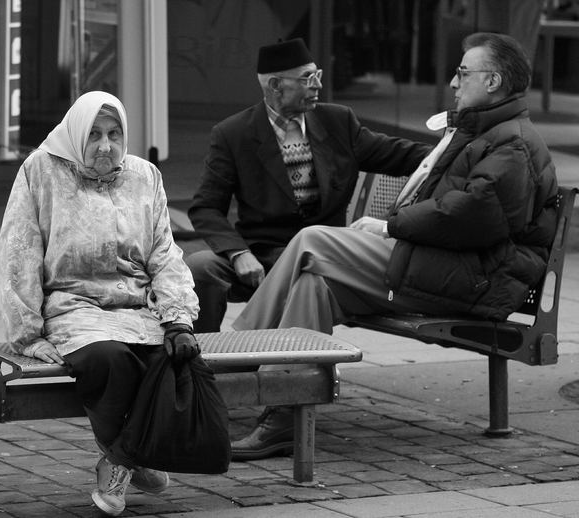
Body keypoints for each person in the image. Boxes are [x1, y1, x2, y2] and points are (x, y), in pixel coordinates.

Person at [231, 32, 559, 460]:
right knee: (315, 287)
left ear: (493, 81)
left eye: (463, 72)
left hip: (472, 279)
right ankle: (285, 415)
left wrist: (391, 226)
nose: (454, 83)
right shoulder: (486, 132)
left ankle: (235, 358)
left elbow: (475, 215)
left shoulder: (512, 141)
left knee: (313, 240)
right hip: (443, 265)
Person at [0, 91, 200, 517]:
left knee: (163, 355)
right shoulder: (41, 171)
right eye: (95, 135)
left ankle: (120, 459)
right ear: (76, 135)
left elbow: (165, 253)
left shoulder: (145, 176)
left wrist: (178, 318)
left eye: (114, 133)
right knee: (108, 358)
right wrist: (28, 335)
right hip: (74, 306)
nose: (106, 145)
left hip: (136, 306)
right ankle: (131, 456)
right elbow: (19, 253)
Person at [185, 38, 431, 335]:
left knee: (309, 279)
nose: (317, 85)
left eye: (319, 75)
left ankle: (268, 360)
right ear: (275, 85)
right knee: (200, 267)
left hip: (321, 255)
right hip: (261, 254)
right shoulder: (233, 134)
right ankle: (202, 361)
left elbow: (401, 154)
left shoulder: (338, 121)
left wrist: (457, 148)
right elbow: (206, 208)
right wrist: (238, 253)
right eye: (307, 78)